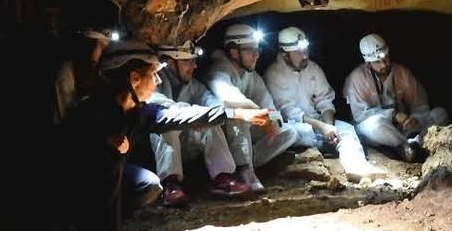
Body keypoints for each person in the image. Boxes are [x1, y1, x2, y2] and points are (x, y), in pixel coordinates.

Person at [61, 41, 230, 231]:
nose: (158, 81)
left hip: (110, 180)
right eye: (153, 74)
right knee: (107, 157)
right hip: (71, 185)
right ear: (134, 78)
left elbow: (177, 114)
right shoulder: (91, 111)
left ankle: (111, 223)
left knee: (148, 185)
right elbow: (66, 142)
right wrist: (102, 139)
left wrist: (233, 113)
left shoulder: (137, 112)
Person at [150, 41, 268, 205]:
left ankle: (222, 176)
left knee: (212, 122)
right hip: (150, 149)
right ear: (170, 63)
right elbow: (167, 111)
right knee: (168, 127)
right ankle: (170, 184)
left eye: (193, 61)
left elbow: (212, 102)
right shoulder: (152, 84)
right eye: (187, 61)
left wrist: (207, 116)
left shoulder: (193, 86)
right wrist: (198, 116)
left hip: (183, 145)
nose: (193, 66)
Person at [265, 26, 385, 181]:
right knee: (297, 132)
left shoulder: (313, 68)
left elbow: (325, 100)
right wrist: (322, 127)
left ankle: (356, 166)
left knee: (347, 129)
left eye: (306, 50)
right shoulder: (273, 74)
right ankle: (314, 151)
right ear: (285, 54)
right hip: (294, 125)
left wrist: (329, 126)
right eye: (299, 52)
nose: (305, 55)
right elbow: (287, 111)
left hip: (318, 122)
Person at [202, 23, 298, 192]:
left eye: (257, 49)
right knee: (241, 116)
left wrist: (273, 121)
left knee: (289, 131)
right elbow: (228, 96)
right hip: (218, 134)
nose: (257, 55)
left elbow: (268, 104)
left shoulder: (251, 76)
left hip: (241, 137)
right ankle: (245, 170)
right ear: (233, 52)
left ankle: (246, 163)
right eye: (251, 50)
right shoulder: (219, 70)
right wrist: (258, 112)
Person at [343, 33, 448, 161]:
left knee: (440, 113)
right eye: (378, 61)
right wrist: (393, 115)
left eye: (386, 58)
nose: (384, 64)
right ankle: (406, 145)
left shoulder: (401, 72)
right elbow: (360, 115)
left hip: (405, 127)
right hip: (378, 129)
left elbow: (419, 103)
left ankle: (415, 143)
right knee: (375, 125)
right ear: (368, 63)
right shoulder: (356, 78)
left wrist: (414, 119)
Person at [53, 27, 117, 124]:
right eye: (95, 44)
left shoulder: (103, 70)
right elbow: (65, 114)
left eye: (103, 45)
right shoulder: (67, 70)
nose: (97, 49)